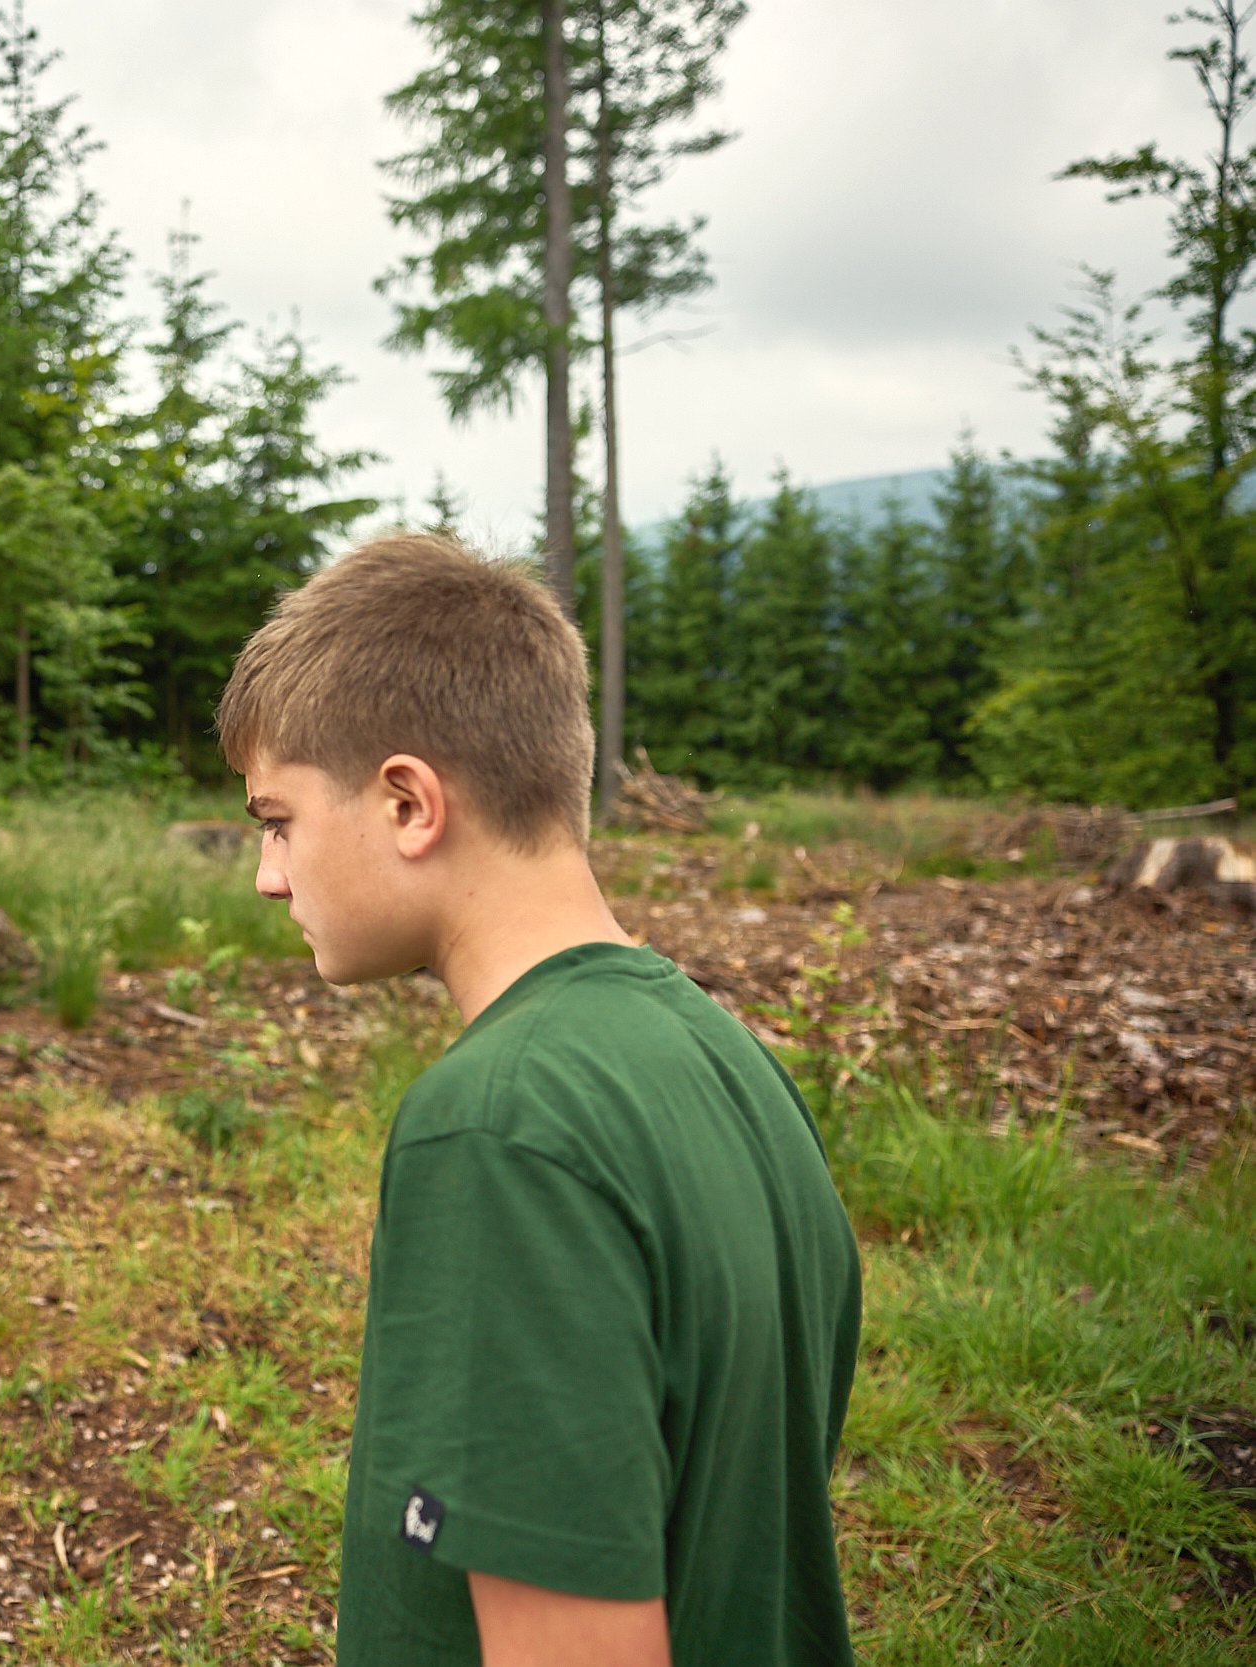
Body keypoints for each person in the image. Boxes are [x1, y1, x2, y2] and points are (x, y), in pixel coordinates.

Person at [215, 533, 859, 1667]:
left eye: (279, 821)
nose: (269, 874)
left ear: (408, 803)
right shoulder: (724, 1056)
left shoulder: (500, 1126)